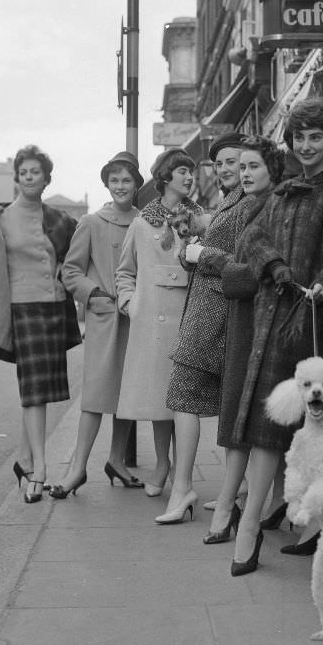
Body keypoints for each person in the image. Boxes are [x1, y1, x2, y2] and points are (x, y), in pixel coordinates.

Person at [227, 98, 323, 576]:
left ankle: (320, 529)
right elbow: (251, 240)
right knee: (268, 426)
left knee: (317, 432)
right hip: (272, 319)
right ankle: (249, 531)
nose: (307, 146)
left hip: (315, 322)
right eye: (300, 137)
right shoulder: (283, 191)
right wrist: (278, 268)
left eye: (316, 137)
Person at [0, 145, 81, 504]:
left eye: (36, 172)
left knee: (42, 390)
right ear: (16, 178)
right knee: (33, 392)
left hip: (52, 309)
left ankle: (24, 458)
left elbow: (77, 254)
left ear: (47, 179)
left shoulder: (60, 219)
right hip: (22, 308)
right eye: (24, 172)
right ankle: (40, 469)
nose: (30, 177)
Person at [154, 131, 252, 525]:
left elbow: (246, 260)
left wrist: (202, 253)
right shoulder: (230, 201)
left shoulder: (249, 203)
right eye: (223, 163)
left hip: (216, 313)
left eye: (237, 162)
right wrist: (190, 251)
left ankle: (185, 489)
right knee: (209, 400)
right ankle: (231, 488)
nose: (228, 169)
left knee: (183, 395)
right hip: (209, 309)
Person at [203, 136, 285, 543]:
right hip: (245, 323)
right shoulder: (251, 205)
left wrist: (214, 262)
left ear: (272, 171)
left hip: (260, 323)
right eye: (244, 167)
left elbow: (249, 274)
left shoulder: (271, 209)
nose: (246, 173)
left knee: (248, 418)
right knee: (239, 417)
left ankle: (232, 506)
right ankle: (231, 503)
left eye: (255, 167)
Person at [50, 151, 144, 498]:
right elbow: (70, 271)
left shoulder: (144, 221)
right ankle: (77, 469)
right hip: (105, 320)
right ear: (107, 183)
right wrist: (95, 295)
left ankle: (117, 461)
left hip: (135, 318)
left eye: (127, 180)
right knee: (94, 396)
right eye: (114, 180)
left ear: (137, 185)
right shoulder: (90, 222)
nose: (121, 186)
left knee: (127, 394)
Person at [115, 148, 204, 499]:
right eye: (182, 171)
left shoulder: (201, 220)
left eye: (191, 171)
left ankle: (181, 475)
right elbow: (124, 271)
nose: (188, 177)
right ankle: (162, 463)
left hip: (190, 313)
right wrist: (130, 303)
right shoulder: (142, 222)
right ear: (165, 177)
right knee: (158, 396)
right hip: (152, 318)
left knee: (184, 398)